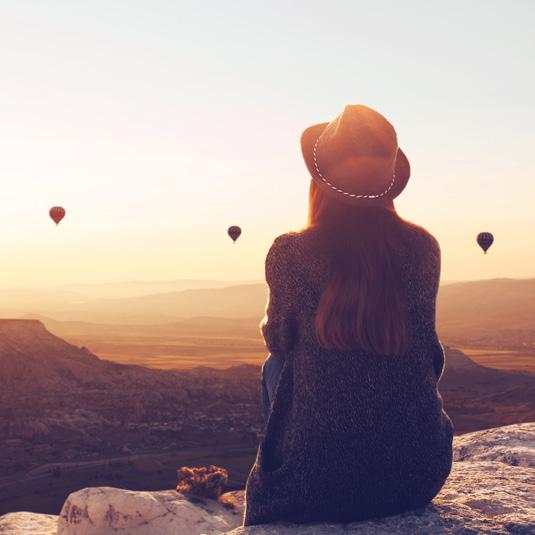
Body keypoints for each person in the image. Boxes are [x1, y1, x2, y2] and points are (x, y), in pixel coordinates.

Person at [244, 104, 454, 526]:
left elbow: (280, 341)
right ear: (389, 184)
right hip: (417, 474)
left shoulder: (291, 252)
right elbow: (427, 350)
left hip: (314, 486)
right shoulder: (424, 248)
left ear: (319, 182)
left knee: (276, 365)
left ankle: (288, 464)